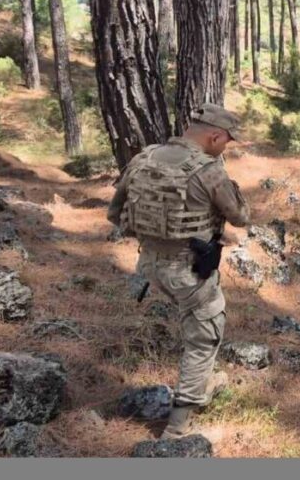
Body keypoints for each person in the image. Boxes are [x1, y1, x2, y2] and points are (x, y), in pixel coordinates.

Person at [107, 103, 249, 439]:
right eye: (226, 142)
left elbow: (115, 213)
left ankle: (205, 380)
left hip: (149, 265)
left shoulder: (144, 158)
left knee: (193, 323)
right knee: (204, 335)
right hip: (189, 272)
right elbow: (241, 216)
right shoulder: (209, 171)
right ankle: (178, 426)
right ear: (214, 136)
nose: (225, 148)